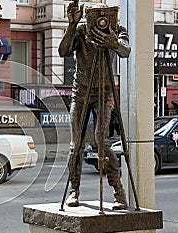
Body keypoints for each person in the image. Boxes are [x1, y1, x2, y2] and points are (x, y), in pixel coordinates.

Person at [58, 0, 131, 210]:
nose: (101, 18)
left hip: (104, 93)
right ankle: (74, 190)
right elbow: (63, 51)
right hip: (80, 93)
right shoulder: (81, 31)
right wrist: (72, 25)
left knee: (101, 142)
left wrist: (113, 42)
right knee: (76, 146)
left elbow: (126, 51)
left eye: (105, 14)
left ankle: (118, 191)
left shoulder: (117, 30)